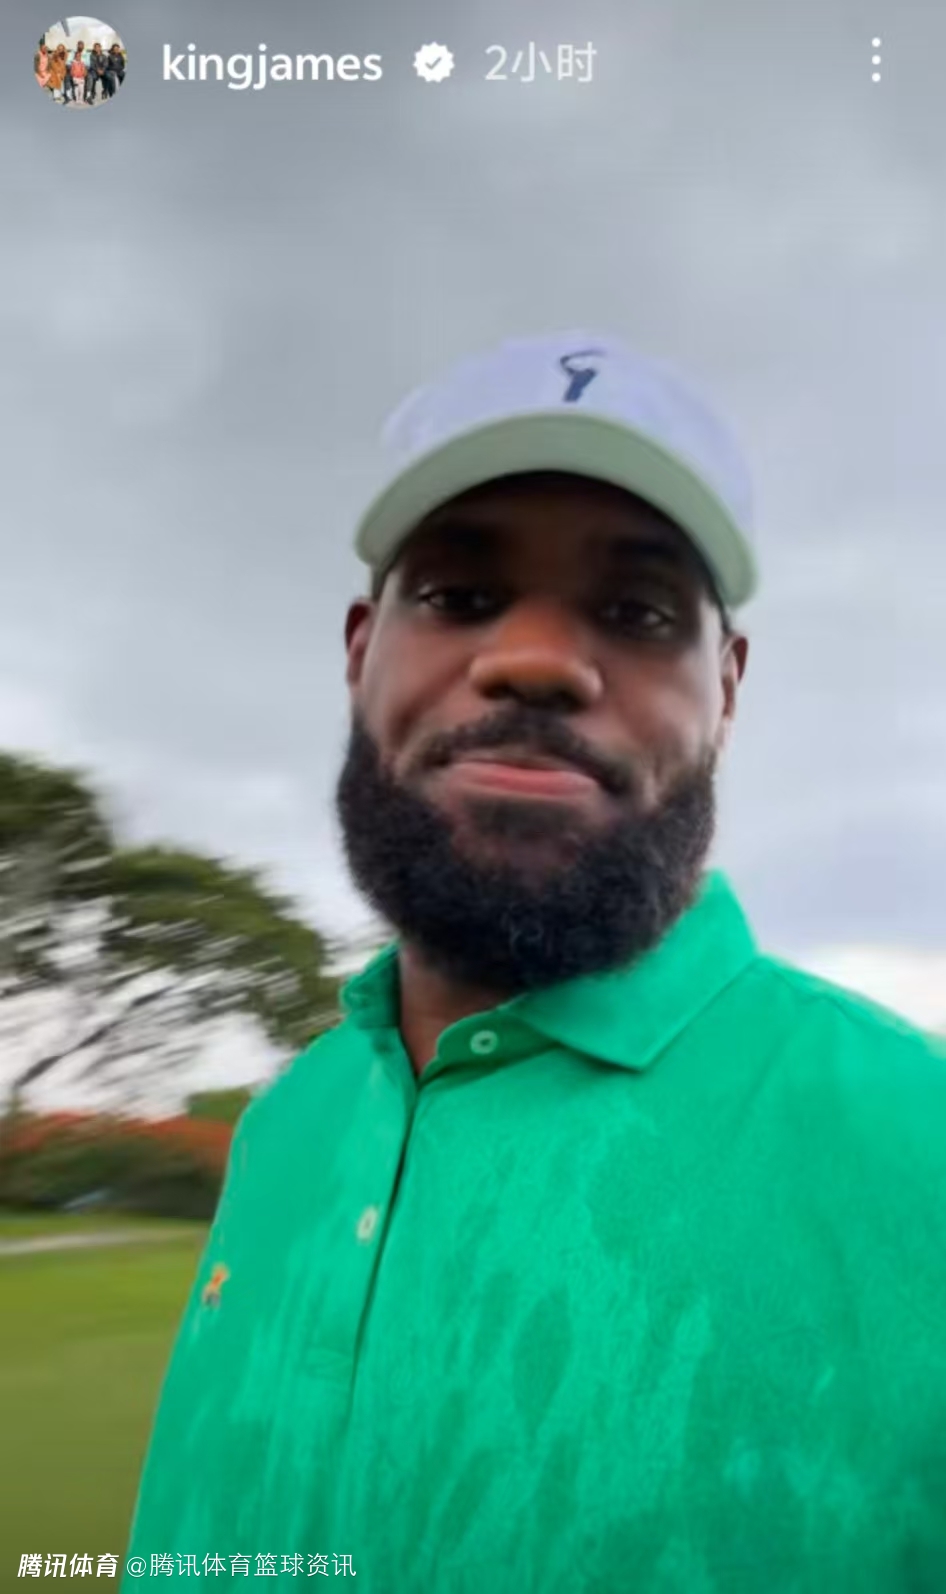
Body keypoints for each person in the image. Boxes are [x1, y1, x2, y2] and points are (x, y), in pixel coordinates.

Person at [121, 332, 946, 1592]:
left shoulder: (917, 1141)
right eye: (459, 595)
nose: (537, 661)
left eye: (637, 613)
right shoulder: (290, 1120)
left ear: (726, 687)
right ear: (360, 649)